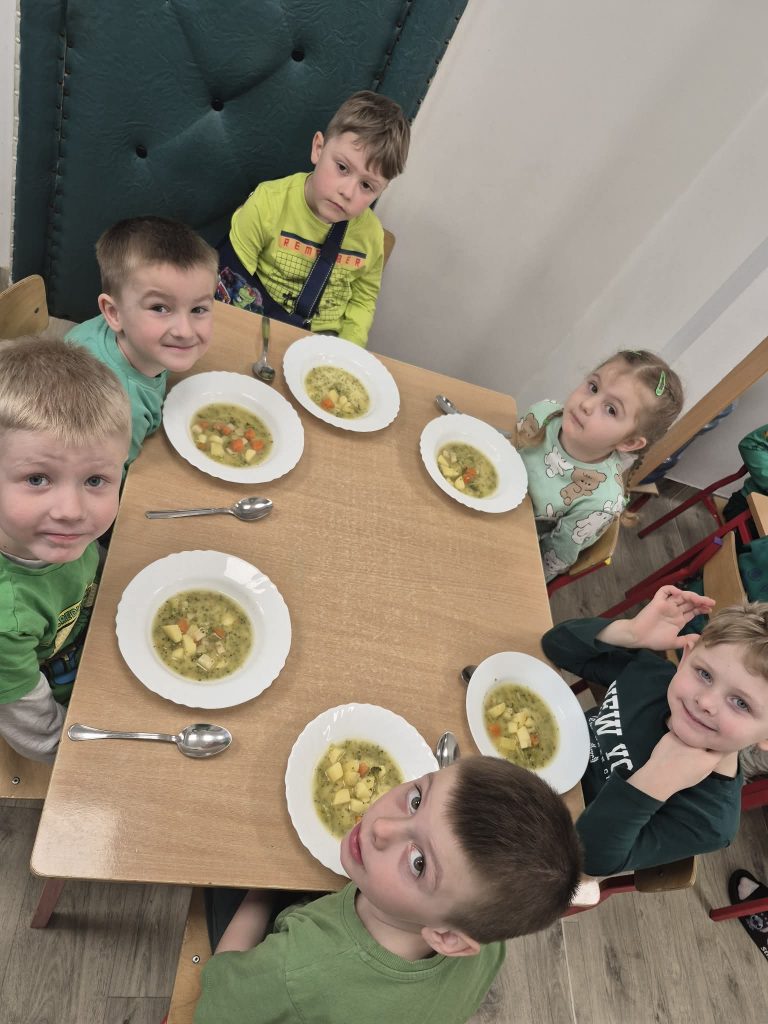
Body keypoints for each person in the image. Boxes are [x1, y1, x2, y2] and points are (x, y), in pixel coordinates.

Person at [193, 756, 581, 1024]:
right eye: (416, 799)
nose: (380, 828)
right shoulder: (487, 935)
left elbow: (216, 1003)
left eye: (419, 863)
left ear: (448, 938)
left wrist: (262, 890)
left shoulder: (299, 967)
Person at [541, 584, 768, 878]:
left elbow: (586, 856)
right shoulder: (653, 677)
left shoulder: (711, 820)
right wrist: (631, 633)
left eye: (740, 703)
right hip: (533, 756)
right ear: (686, 656)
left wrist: (654, 782)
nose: (705, 702)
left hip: (543, 829)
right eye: (704, 674)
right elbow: (556, 646)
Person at [0, 337, 131, 762]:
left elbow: (95, 569)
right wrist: (90, 763)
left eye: (95, 480)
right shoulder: (5, 624)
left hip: (88, 639)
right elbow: (43, 738)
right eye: (37, 479)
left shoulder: (55, 535)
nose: (72, 512)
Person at [216, 90, 410, 346]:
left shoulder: (371, 235)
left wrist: (348, 350)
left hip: (325, 343)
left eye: (367, 186)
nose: (347, 192)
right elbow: (230, 278)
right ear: (319, 148)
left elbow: (362, 300)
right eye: (342, 168)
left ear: (381, 190)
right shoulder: (269, 203)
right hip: (259, 326)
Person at [516, 350, 684, 582]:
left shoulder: (600, 501)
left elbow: (551, 560)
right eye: (593, 387)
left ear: (629, 442)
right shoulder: (542, 412)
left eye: (611, 409)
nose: (587, 404)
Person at [65, 216, 218, 468]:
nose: (185, 331)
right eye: (159, 308)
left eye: (198, 309)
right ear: (114, 313)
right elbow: (111, 478)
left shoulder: (139, 343)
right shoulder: (123, 411)